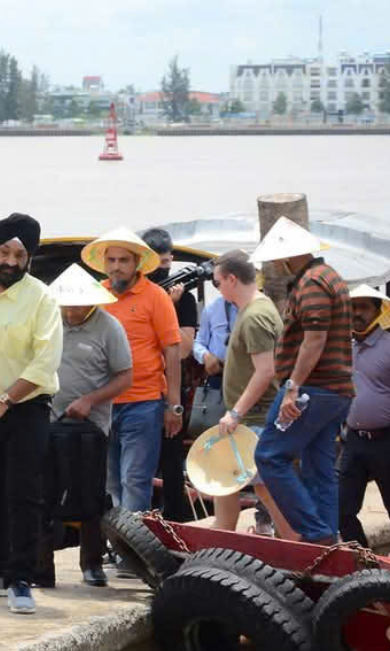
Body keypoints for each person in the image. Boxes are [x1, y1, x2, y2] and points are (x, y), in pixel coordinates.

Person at [0, 213, 63, 613]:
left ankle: (22, 577)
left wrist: (2, 403)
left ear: (29, 258)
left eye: (20, 254)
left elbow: (44, 363)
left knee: (24, 492)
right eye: (4, 251)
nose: (10, 261)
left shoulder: (42, 297)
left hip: (24, 407)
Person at [252, 217, 354, 545]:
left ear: (287, 255)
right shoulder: (330, 276)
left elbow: (314, 340)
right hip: (334, 391)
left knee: (269, 456)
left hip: (313, 389)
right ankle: (327, 538)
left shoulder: (311, 283)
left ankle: (316, 534)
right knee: (318, 465)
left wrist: (292, 388)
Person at [84, 229, 183, 519]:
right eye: (111, 260)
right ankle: (122, 545)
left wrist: (173, 406)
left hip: (144, 402)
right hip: (102, 404)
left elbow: (173, 351)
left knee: (135, 480)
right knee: (111, 482)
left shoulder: (156, 297)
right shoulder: (95, 296)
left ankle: (132, 548)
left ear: (137, 262)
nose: (116, 266)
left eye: (123, 260)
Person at [46, 266, 133, 586]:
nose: (71, 311)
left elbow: (125, 377)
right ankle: (43, 568)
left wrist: (91, 400)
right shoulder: (50, 321)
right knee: (46, 491)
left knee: (91, 493)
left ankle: (92, 564)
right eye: (66, 305)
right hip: (50, 420)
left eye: (78, 305)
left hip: (91, 426)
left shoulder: (109, 327)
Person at [210, 250, 291, 536]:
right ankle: (222, 535)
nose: (217, 289)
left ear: (231, 279)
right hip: (250, 416)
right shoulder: (257, 308)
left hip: (256, 416)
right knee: (227, 480)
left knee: (264, 486)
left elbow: (265, 371)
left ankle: (298, 546)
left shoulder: (255, 316)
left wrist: (236, 412)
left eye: (216, 282)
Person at [338, 285, 390, 548]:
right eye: (353, 307)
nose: (357, 313)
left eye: (363, 307)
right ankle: (364, 568)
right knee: (341, 508)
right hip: (354, 441)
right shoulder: (345, 348)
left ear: (377, 311)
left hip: (389, 442)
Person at [144, 228, 198, 522]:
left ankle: (176, 521)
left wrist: (169, 309)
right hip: (137, 387)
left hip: (170, 389)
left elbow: (185, 349)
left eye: (165, 263)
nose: (161, 270)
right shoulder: (136, 292)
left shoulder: (183, 298)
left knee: (171, 461)